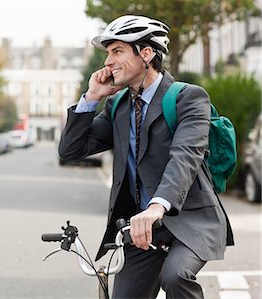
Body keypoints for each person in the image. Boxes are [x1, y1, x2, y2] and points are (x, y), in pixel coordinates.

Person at [58, 15, 234, 299]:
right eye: (108, 53)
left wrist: (156, 207)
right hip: (141, 231)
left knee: (175, 276)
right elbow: (71, 151)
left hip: (188, 221)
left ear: (147, 53)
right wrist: (91, 97)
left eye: (117, 52)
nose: (108, 62)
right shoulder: (118, 106)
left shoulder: (187, 98)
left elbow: (184, 158)